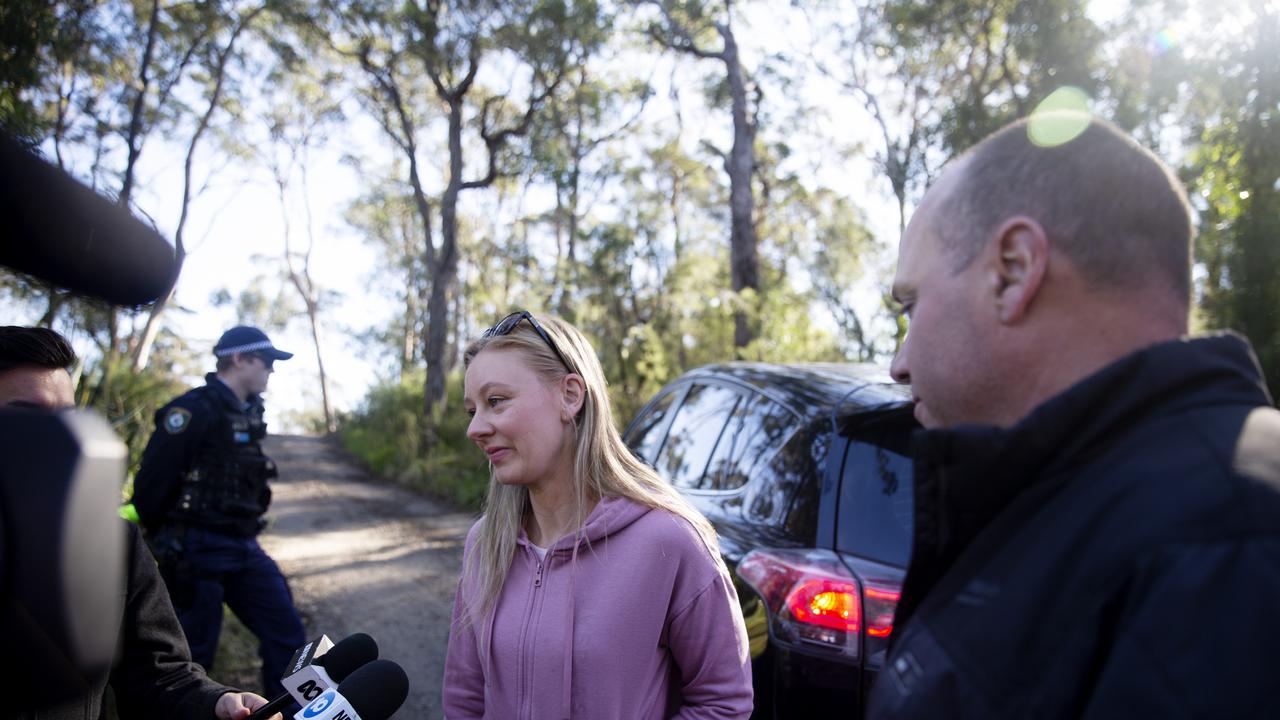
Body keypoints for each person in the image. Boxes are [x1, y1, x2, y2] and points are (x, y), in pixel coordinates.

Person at [870, 115, 1280, 718]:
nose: (897, 364)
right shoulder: (1072, 501)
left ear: (1012, 270)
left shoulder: (1225, 552)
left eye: (911, 305)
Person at [442, 311, 753, 719]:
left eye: (496, 401)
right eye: (472, 410)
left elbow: (723, 703)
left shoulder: (669, 541)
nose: (475, 428)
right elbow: (464, 699)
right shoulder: (485, 544)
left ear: (570, 396)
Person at [0, 326, 274, 720]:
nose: (55, 439)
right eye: (27, 419)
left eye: (65, 419)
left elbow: (159, 673)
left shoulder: (113, 546)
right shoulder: (194, 410)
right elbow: (154, 485)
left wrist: (215, 703)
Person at [131, 326, 307, 701]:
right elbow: (152, 486)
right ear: (239, 359)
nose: (272, 371)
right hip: (196, 551)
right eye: (267, 362)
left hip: (243, 547)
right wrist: (170, 539)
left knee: (289, 636)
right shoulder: (193, 410)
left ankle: (287, 713)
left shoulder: (250, 414)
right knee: (193, 656)